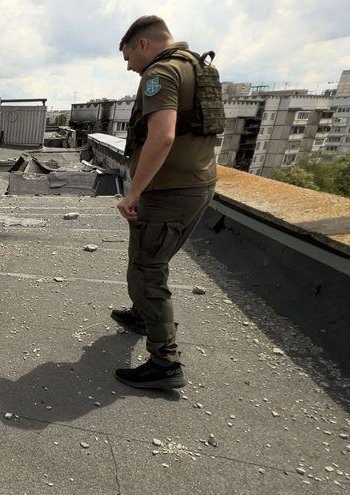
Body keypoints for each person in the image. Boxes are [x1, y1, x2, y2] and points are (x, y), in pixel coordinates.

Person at [111, 15, 223, 389]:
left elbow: (162, 136)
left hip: (170, 192)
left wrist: (134, 192)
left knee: (147, 270)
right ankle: (143, 316)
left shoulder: (161, 74)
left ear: (142, 44)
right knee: (148, 261)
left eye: (128, 56)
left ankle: (165, 362)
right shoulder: (196, 67)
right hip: (194, 185)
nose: (128, 65)